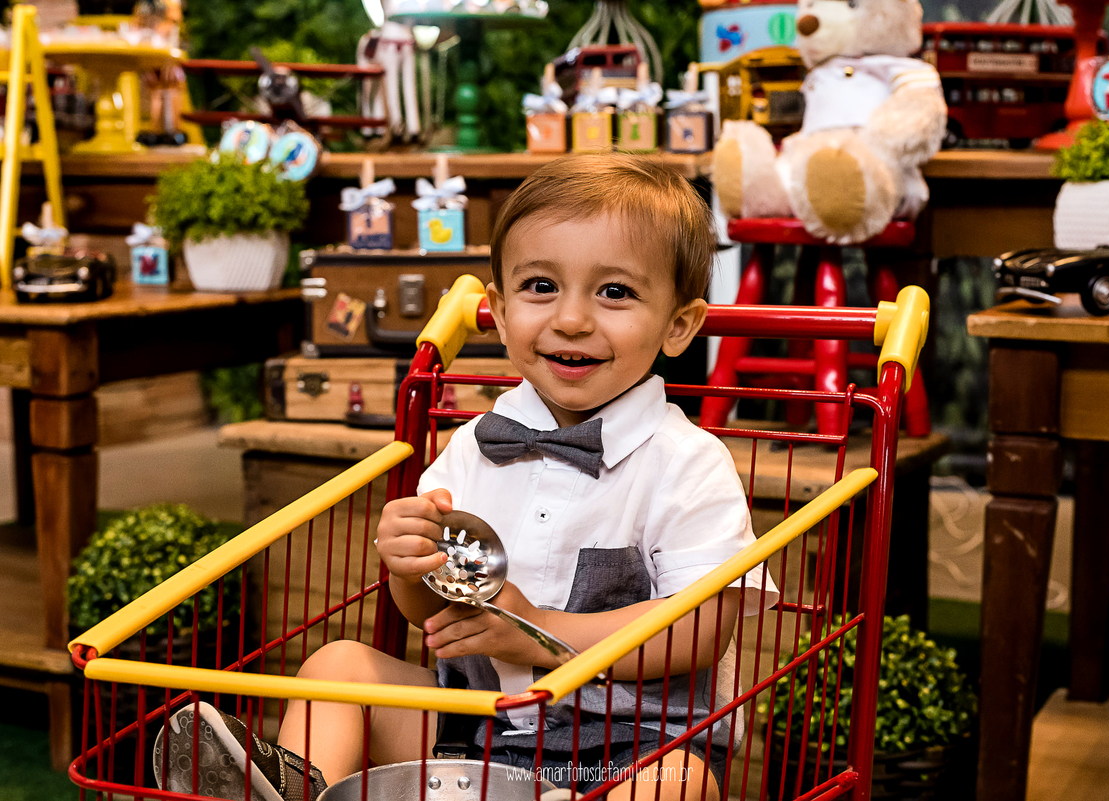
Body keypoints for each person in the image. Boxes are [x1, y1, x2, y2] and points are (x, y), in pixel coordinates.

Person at [154, 155, 777, 801]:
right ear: (499, 313)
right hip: (474, 730)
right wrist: (410, 565)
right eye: (541, 286)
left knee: (678, 783)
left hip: (629, 748)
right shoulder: (471, 450)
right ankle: (296, 789)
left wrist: (540, 630)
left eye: (614, 292)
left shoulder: (687, 463)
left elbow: (700, 629)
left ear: (678, 325)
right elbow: (431, 609)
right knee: (337, 665)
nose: (571, 319)